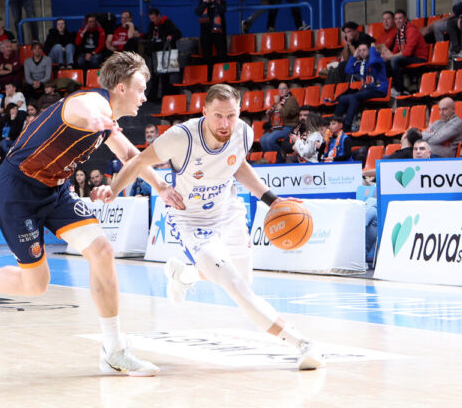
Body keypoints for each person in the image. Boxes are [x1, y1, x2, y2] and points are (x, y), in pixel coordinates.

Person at [0, 51, 182, 376]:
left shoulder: (107, 121)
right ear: (122, 88)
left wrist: (162, 188)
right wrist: (98, 120)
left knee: (102, 250)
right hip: (17, 191)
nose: (144, 97)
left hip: (55, 190)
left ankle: (114, 350)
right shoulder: (91, 103)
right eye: (140, 89)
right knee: (36, 284)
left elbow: (132, 155)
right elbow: (81, 108)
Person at [94, 83, 322, 370]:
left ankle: (185, 274)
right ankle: (303, 343)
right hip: (191, 220)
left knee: (242, 281)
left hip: (228, 212)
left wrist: (272, 200)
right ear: (204, 112)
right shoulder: (181, 137)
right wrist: (115, 189)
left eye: (231, 115)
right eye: (218, 116)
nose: (225, 123)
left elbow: (236, 164)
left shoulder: (243, 132)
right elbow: (138, 160)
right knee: (236, 288)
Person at [335, 44, 388, 130]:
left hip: (379, 89)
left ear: (369, 50)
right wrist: (354, 56)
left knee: (355, 96)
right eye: (360, 51)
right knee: (342, 99)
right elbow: (348, 70)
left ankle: (347, 125)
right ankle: (335, 123)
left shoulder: (377, 59)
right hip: (367, 91)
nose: (362, 52)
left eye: (364, 50)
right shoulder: (362, 64)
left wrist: (372, 48)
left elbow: (372, 62)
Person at [380, 10, 429, 96]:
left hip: (419, 58)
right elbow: (396, 49)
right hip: (409, 57)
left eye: (400, 18)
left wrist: (391, 57)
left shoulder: (411, 30)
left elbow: (407, 52)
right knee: (384, 62)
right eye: (396, 19)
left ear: (405, 19)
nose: (398, 21)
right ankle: (386, 88)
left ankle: (399, 89)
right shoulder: (400, 31)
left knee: (394, 60)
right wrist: (387, 56)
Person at [145, 8, 182, 101]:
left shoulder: (167, 23)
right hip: (155, 53)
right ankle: (153, 96)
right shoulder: (151, 25)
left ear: (159, 16)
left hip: (164, 53)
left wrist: (171, 36)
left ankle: (165, 96)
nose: (153, 20)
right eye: (151, 19)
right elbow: (149, 35)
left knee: (165, 75)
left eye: (154, 18)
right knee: (154, 75)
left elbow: (178, 33)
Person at [327, 21, 375, 85]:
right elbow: (346, 58)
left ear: (355, 31)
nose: (347, 34)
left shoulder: (363, 38)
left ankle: (345, 86)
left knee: (347, 68)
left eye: (349, 31)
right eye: (345, 32)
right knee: (334, 71)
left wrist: (350, 45)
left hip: (367, 62)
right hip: (357, 62)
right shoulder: (349, 39)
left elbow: (359, 57)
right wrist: (347, 45)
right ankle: (337, 88)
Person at [195, 0, 228, 70]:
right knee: (206, 56)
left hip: (219, 32)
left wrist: (214, 1)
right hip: (206, 33)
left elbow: (222, 10)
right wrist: (205, 3)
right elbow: (198, 12)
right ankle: (209, 75)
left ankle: (224, 73)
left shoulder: (221, 1)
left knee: (222, 54)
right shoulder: (203, 1)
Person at [260, 83, 298, 152]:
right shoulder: (280, 101)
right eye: (279, 89)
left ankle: (279, 156)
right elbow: (272, 118)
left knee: (269, 140)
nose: (281, 91)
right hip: (277, 126)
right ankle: (268, 157)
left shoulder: (291, 100)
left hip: (289, 126)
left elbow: (285, 113)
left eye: (283, 88)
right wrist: (268, 114)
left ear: (288, 90)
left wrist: (277, 103)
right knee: (262, 140)